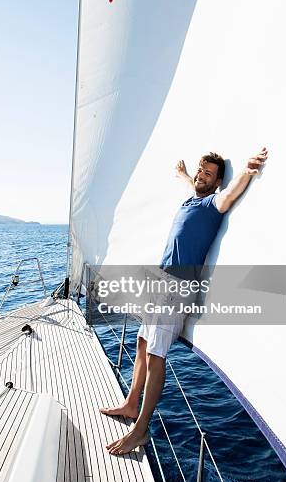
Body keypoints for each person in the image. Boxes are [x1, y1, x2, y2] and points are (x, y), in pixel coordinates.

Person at [100, 147, 268, 455]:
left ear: (217, 182)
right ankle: (130, 404)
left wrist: (248, 169)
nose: (201, 176)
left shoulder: (211, 204)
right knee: (140, 344)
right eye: (200, 171)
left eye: (208, 174)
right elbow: (192, 184)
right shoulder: (193, 196)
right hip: (160, 283)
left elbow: (229, 195)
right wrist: (182, 174)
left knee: (155, 356)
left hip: (177, 288)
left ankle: (141, 430)